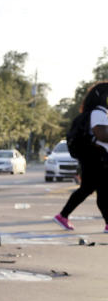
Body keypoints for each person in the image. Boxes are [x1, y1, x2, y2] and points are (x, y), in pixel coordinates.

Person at [54, 82, 108, 231]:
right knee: (98, 191)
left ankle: (63, 216)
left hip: (93, 158)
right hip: (97, 159)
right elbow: (101, 135)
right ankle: (63, 215)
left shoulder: (96, 113)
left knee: (91, 190)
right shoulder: (98, 113)